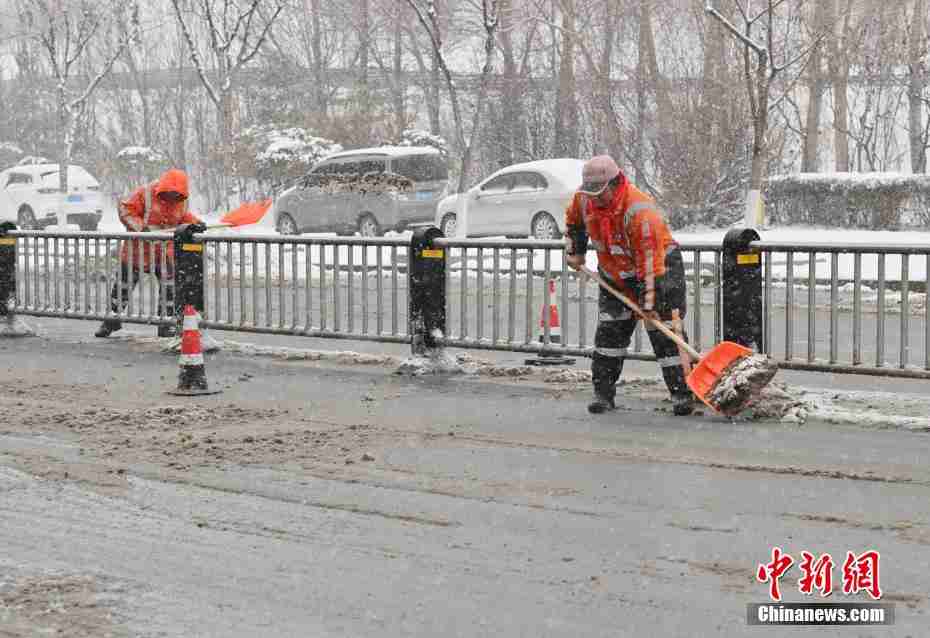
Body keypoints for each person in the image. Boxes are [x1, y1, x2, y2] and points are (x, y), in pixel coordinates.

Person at [564, 155, 696, 416]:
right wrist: (575, 251)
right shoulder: (583, 200)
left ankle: (683, 394)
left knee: (665, 333)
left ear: (615, 183)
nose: (594, 198)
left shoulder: (639, 211)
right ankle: (603, 394)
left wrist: (648, 303)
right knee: (609, 335)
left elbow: (650, 263)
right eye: (590, 192)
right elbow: (573, 223)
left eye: (600, 193)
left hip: (659, 271)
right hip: (613, 274)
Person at [95, 168, 202, 338]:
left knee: (169, 289)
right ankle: (111, 321)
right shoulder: (144, 193)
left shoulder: (182, 201)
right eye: (170, 193)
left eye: (176, 195)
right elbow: (126, 210)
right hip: (136, 251)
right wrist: (141, 228)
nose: (172, 197)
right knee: (123, 287)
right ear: (163, 188)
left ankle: (165, 324)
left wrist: (195, 224)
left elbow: (183, 217)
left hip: (164, 253)